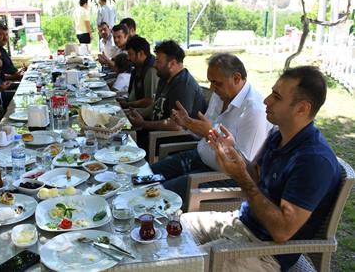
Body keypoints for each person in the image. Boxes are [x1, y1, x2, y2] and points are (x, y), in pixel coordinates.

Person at [182, 66, 341, 272]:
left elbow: (282, 231)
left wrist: (240, 176)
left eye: (276, 97)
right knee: (178, 228)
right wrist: (233, 152)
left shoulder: (313, 160)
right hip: (242, 225)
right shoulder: (279, 135)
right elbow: (256, 175)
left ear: (302, 109)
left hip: (267, 254)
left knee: (183, 263)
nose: (266, 101)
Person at [150, 53, 272, 200]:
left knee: (159, 195)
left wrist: (210, 133)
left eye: (216, 83)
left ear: (237, 78)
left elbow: (244, 171)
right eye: (210, 82)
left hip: (222, 176)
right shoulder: (220, 95)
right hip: (198, 157)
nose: (212, 88)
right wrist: (188, 123)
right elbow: (204, 130)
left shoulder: (254, 111)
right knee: (146, 175)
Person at [127, 40, 206, 148]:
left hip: (169, 140)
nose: (154, 65)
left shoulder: (183, 85)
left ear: (172, 63)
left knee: (126, 144)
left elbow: (176, 125)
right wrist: (138, 114)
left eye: (158, 61)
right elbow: (157, 104)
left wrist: (143, 124)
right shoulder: (165, 77)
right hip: (153, 132)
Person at [119, 35, 159, 109]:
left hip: (141, 113)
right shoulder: (138, 67)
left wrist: (128, 104)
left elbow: (149, 101)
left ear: (140, 54)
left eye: (130, 54)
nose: (128, 58)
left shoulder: (151, 70)